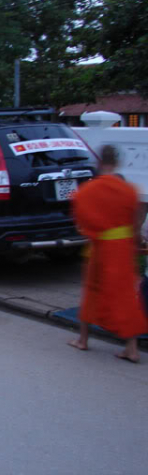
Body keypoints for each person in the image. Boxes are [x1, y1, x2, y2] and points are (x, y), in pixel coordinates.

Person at [69, 145, 148, 363]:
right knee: (125, 296)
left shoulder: (88, 191)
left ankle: (83, 340)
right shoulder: (129, 190)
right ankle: (131, 348)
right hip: (122, 249)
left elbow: (80, 222)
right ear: (117, 163)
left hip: (99, 247)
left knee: (92, 291)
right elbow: (135, 223)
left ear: (99, 162)